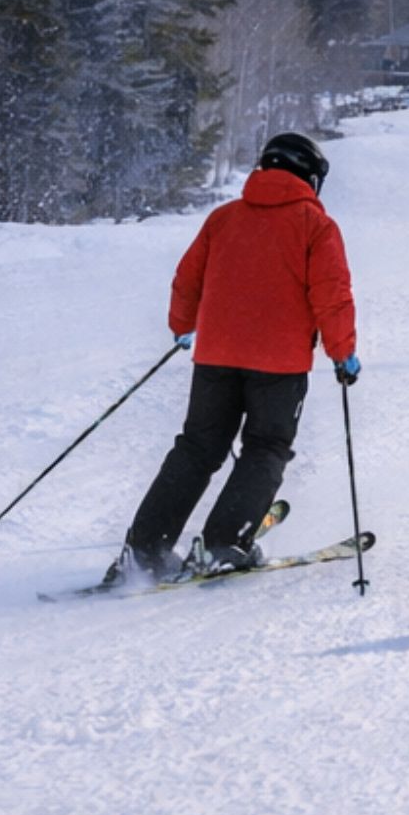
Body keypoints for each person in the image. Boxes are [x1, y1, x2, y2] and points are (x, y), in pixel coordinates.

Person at [108, 133, 358, 582]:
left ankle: (145, 548)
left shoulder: (223, 218)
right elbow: (332, 296)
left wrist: (182, 326)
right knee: (265, 447)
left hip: (216, 357)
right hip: (279, 365)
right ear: (308, 177)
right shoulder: (316, 226)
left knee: (198, 447)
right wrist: (344, 353)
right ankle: (224, 543)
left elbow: (188, 278)